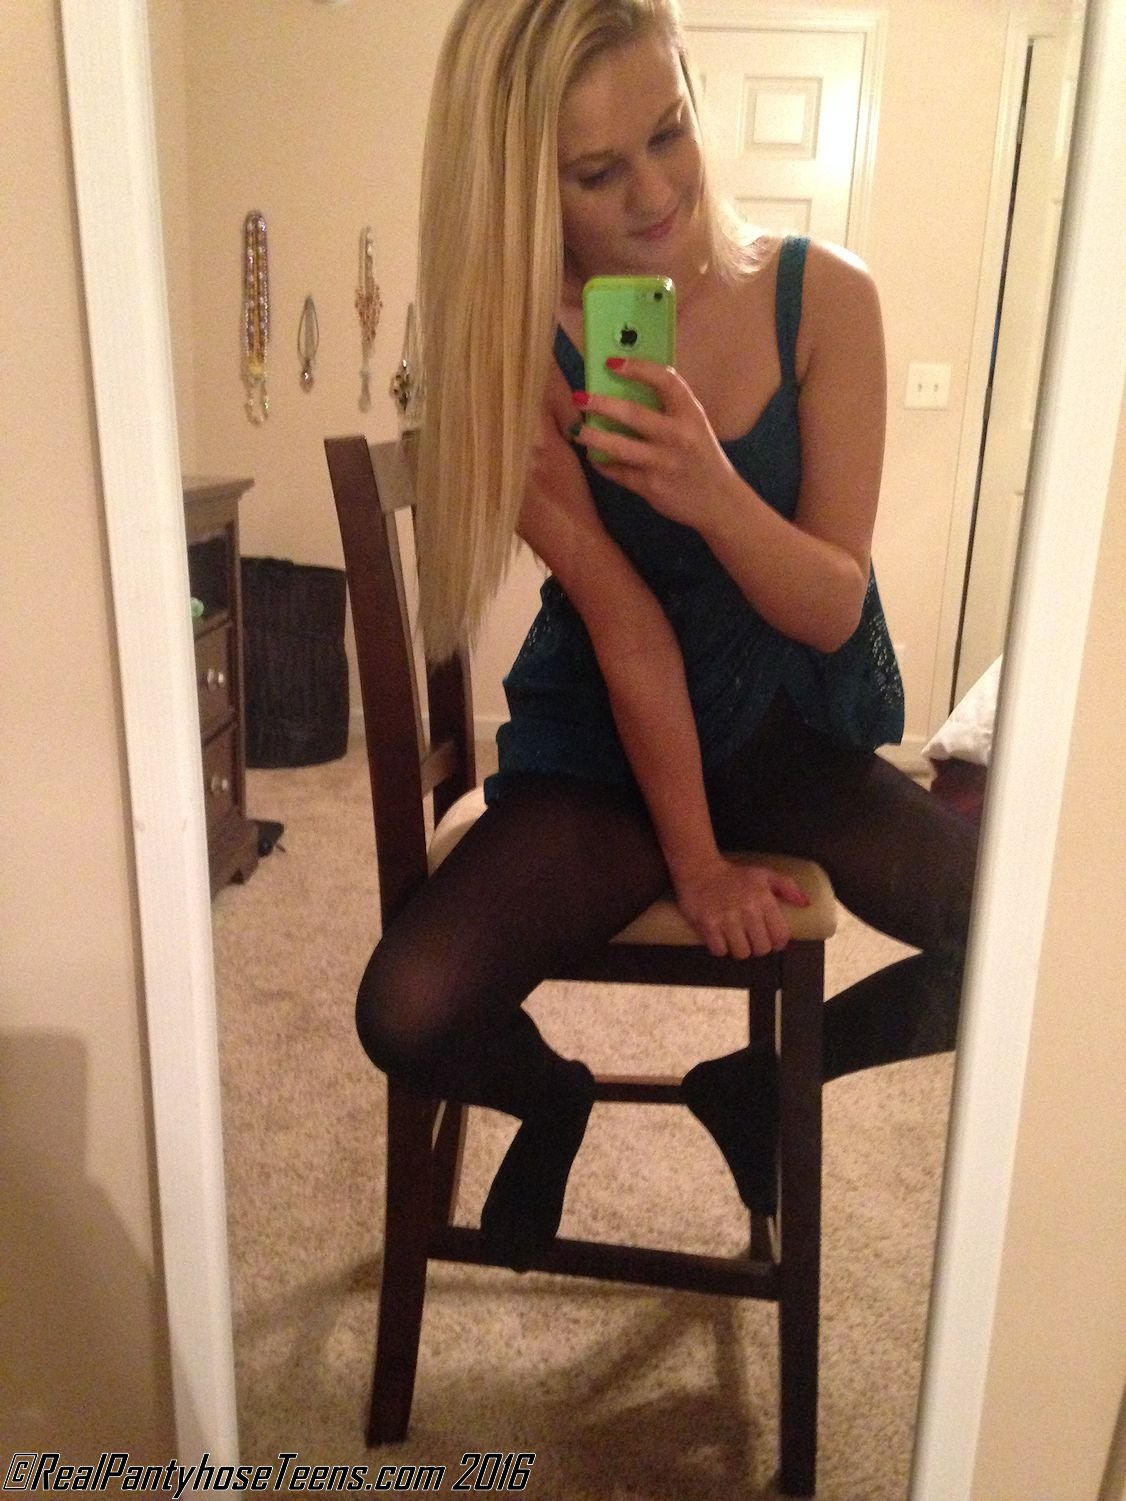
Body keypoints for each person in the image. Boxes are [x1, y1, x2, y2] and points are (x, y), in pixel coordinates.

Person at [357, 0, 979, 1272]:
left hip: (785, 728)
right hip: (611, 739)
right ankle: (555, 1100)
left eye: (669, 132)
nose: (655, 192)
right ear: (520, 188)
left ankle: (764, 1087)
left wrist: (710, 489)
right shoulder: (514, 353)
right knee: (407, 1010)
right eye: (596, 171)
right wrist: (695, 866)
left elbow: (828, 605)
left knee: (1020, 939)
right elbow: (627, 627)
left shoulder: (824, 297)